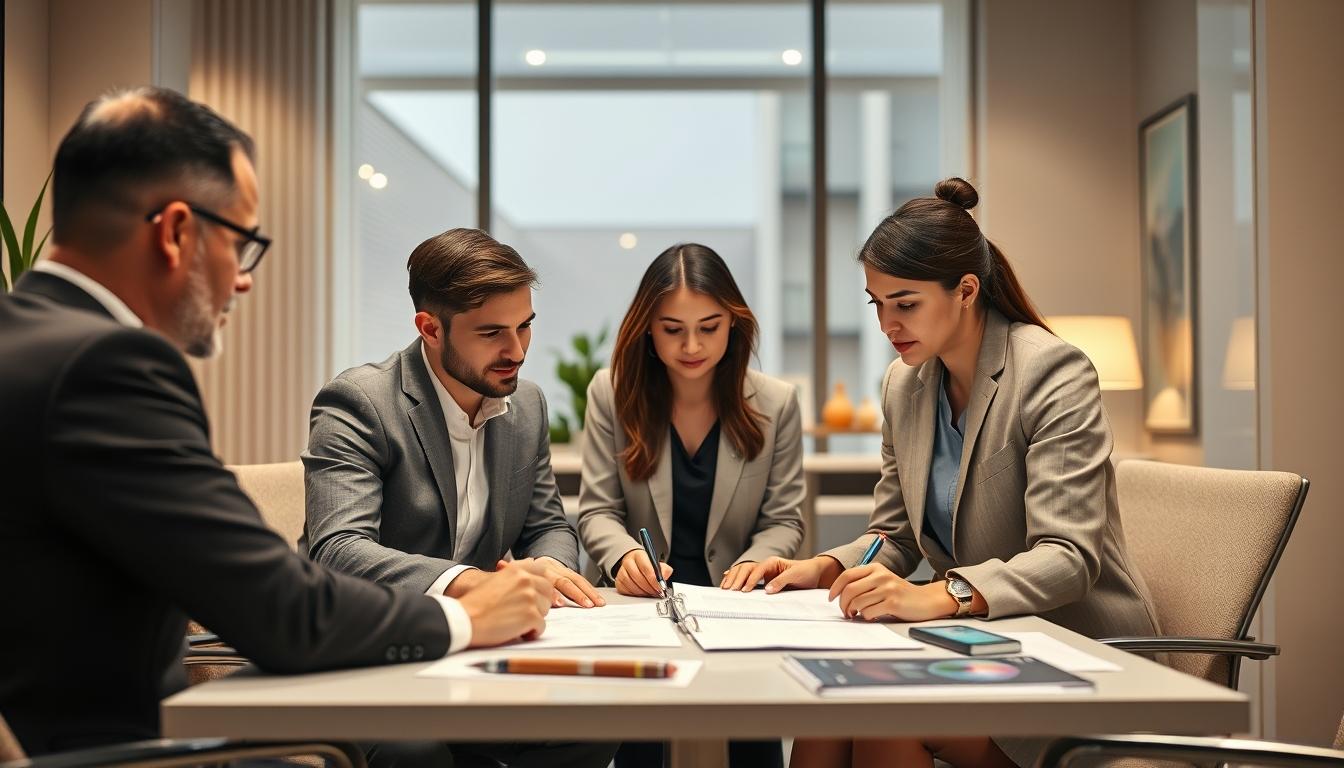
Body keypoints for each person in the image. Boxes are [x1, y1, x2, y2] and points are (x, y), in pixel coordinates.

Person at [0, 87, 552, 757]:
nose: (244, 279)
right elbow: (283, 610)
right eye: (241, 243)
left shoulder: (27, 343)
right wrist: (466, 615)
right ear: (176, 232)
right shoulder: (107, 366)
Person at [745, 178, 1161, 768]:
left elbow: (1068, 556)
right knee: (831, 706)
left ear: (966, 290)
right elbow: (896, 535)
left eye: (905, 303)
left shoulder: (1052, 371)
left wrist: (944, 595)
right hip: (984, 647)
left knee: (886, 723)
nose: (888, 325)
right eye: (878, 305)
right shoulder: (905, 385)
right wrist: (825, 566)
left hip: (1079, 655)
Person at [301, 227, 613, 768]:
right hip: (374, 657)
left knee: (588, 732)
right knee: (417, 754)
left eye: (525, 327)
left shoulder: (527, 406)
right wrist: (472, 584)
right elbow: (338, 549)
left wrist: (549, 570)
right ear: (430, 329)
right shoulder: (359, 402)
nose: (516, 351)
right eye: (492, 332)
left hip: (475, 657)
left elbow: (548, 526)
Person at [578, 243, 805, 768]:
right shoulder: (609, 394)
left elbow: (784, 519)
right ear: (647, 329)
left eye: (709, 326)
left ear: (733, 323)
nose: (692, 345)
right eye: (672, 328)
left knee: (753, 748)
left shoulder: (776, 402)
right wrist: (621, 560)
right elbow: (597, 511)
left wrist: (753, 562)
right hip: (639, 609)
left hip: (739, 610)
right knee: (641, 750)